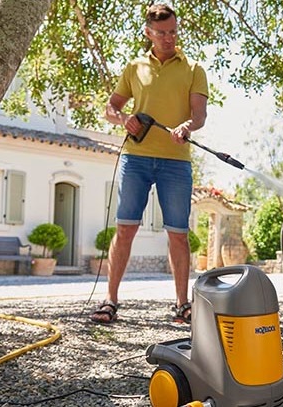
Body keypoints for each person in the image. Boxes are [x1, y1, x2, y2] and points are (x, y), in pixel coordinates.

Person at [90, 4, 208, 324]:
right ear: (149, 33)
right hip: (136, 159)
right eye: (161, 33)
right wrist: (123, 118)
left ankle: (182, 304)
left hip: (176, 162)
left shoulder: (193, 68)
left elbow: (199, 115)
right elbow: (111, 108)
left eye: (173, 32)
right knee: (125, 228)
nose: (169, 38)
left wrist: (186, 127)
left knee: (178, 234)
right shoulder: (134, 67)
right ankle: (110, 300)